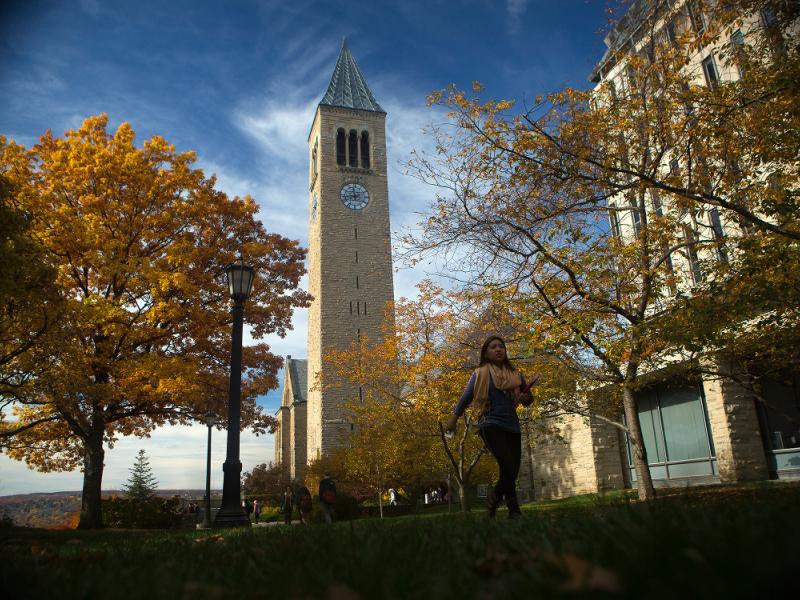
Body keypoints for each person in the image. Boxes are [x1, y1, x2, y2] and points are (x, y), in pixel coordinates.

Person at [445, 335, 538, 518]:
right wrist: (453, 419)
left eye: (501, 346)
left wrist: (527, 398)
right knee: (508, 466)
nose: (498, 349)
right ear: (486, 353)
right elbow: (466, 397)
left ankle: (508, 508)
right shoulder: (480, 373)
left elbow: (528, 399)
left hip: (512, 425)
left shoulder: (516, 375)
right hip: (491, 424)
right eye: (493, 347)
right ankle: (503, 505)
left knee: (511, 470)